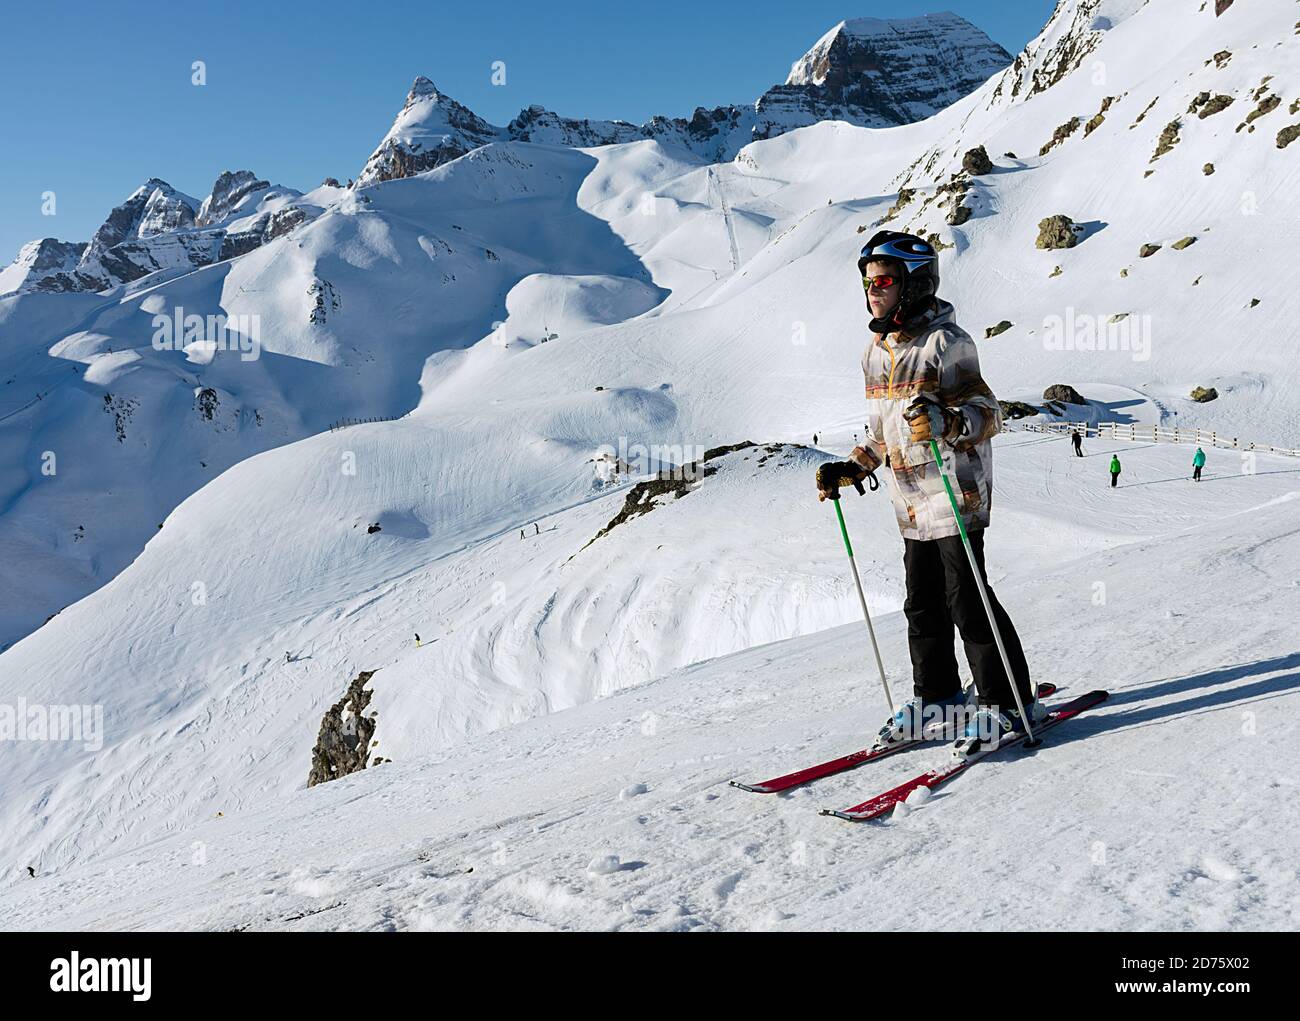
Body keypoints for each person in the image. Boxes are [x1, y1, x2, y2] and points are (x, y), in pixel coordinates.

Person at [815, 230, 1038, 758]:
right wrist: (854, 465)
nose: (874, 291)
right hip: (910, 499)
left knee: (969, 599)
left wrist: (947, 420)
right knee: (921, 603)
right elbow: (884, 430)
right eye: (868, 282)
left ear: (914, 284)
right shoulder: (877, 351)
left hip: (956, 494)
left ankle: (1009, 702)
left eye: (885, 281)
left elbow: (989, 415)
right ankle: (937, 696)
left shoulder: (947, 342)